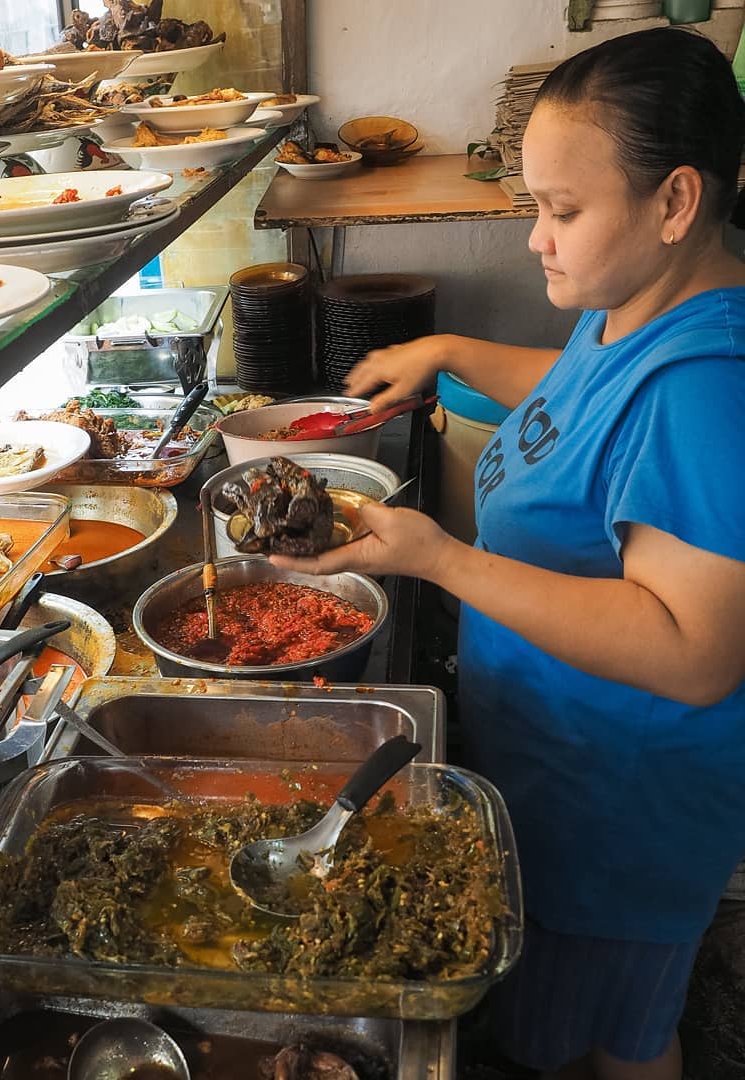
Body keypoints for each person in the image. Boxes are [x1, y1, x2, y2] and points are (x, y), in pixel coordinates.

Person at [271, 27, 745, 1080]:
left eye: (562, 211)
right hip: (559, 764)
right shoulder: (633, 309)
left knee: (613, 1038)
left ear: (674, 203)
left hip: (622, 810)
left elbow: (694, 649)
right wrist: (447, 352)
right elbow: (577, 394)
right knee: (562, 1014)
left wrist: (441, 559)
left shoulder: (704, 393)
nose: (537, 238)